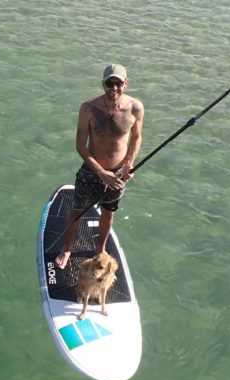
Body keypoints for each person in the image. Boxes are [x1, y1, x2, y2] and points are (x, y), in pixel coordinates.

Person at [55, 64, 144, 270]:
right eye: (109, 83)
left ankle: (100, 249)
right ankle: (67, 248)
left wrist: (129, 165)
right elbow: (80, 145)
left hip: (118, 174)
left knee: (108, 212)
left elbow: (136, 138)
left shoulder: (135, 108)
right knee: (77, 209)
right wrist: (101, 172)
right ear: (103, 84)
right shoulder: (88, 108)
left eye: (118, 83)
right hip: (93, 170)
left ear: (126, 83)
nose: (114, 88)